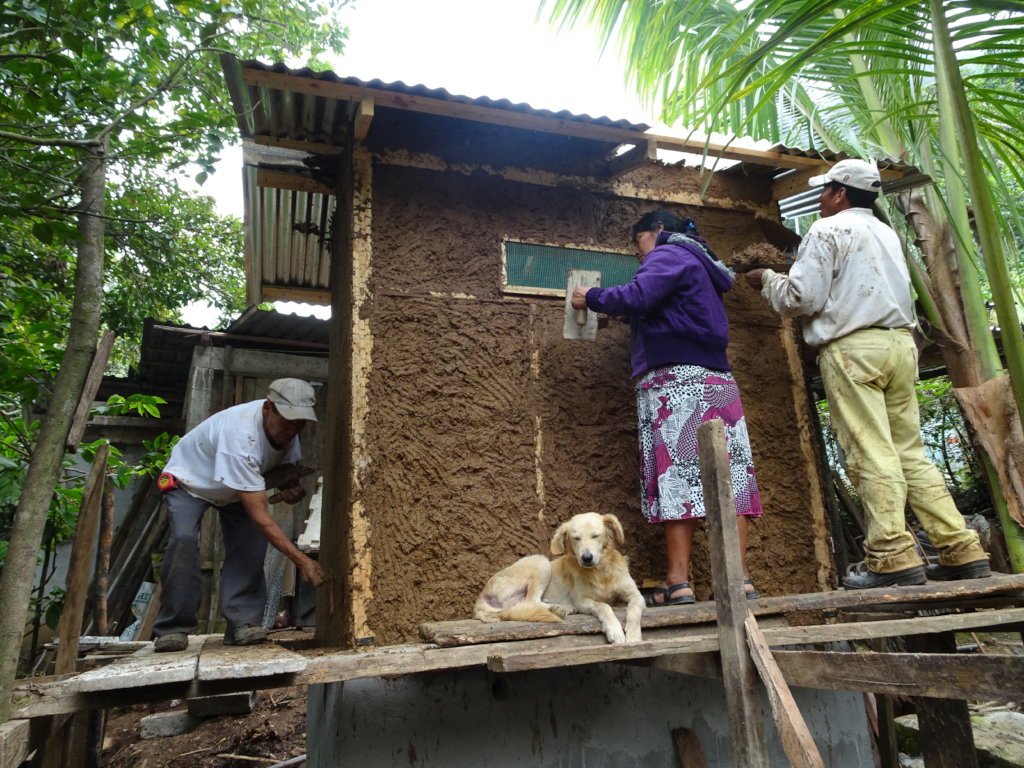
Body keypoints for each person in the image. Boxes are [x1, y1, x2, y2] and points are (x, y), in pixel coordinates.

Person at [745, 158, 990, 589]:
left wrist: (767, 278)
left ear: (840, 193)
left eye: (825, 191)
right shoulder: (885, 233)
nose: (821, 198)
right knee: (909, 452)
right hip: (899, 345)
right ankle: (960, 548)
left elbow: (801, 298)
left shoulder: (828, 229)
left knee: (868, 452)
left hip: (853, 348)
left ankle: (892, 555)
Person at [572, 210, 763, 606]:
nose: (638, 256)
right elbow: (664, 307)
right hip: (717, 381)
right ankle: (739, 580)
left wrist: (591, 297)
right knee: (731, 477)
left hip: (675, 380)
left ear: (657, 231)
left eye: (638, 243)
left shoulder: (668, 252)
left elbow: (640, 294)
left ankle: (678, 582)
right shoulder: (700, 262)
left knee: (677, 477)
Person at [152, 378, 327, 652]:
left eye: (300, 422)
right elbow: (262, 517)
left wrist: (291, 488)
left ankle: (242, 624)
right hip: (190, 481)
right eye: (288, 420)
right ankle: (173, 628)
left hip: (234, 488)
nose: (293, 429)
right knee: (184, 540)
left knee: (250, 546)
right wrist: (302, 560)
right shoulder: (240, 436)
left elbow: (281, 471)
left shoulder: (289, 433)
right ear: (268, 408)